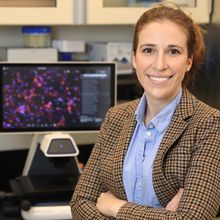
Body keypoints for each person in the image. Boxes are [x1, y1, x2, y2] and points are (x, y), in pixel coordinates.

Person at [70, 3, 220, 219]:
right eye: (148, 50)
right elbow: (80, 202)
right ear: (134, 58)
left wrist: (116, 207)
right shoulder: (116, 117)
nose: (159, 64)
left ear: (188, 61)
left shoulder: (209, 124)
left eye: (173, 51)